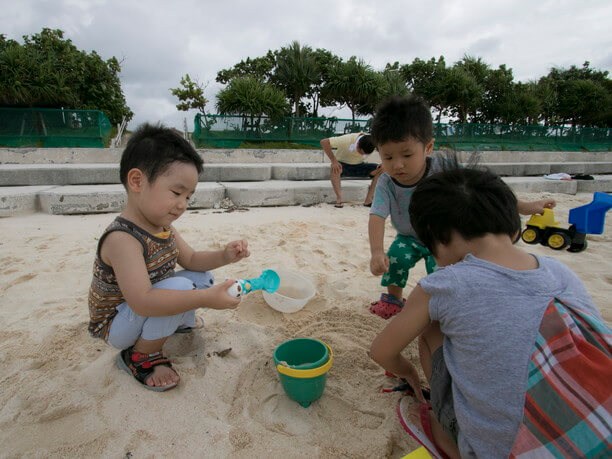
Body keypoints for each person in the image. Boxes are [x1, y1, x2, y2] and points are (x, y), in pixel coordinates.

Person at [369, 162, 608, 458]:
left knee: (432, 325)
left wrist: (409, 374)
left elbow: (381, 351)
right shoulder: (560, 271)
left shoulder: (443, 285)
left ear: (438, 241)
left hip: (500, 450)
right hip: (600, 426)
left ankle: (446, 437)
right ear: (515, 228)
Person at [87, 123, 250, 391]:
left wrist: (225, 255)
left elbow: (193, 259)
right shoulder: (122, 239)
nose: (182, 204)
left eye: (188, 196)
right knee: (185, 287)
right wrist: (206, 299)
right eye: (176, 193)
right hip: (117, 324)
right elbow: (142, 302)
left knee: (202, 277)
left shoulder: (162, 226)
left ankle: (175, 325)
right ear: (137, 181)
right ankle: (140, 355)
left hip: (142, 309)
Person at [367, 96, 555, 319]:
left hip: (443, 237)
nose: (397, 164)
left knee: (440, 270)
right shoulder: (387, 183)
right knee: (396, 259)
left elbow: (485, 187)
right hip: (408, 237)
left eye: (407, 155)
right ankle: (394, 300)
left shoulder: (444, 169)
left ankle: (444, 303)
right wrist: (377, 251)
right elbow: (377, 216)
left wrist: (523, 207)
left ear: (428, 147)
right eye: (387, 157)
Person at [320, 132, 383, 207]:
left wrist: (384, 162)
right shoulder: (347, 139)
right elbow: (324, 142)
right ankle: (339, 199)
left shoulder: (373, 142)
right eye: (361, 152)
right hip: (343, 165)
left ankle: (368, 200)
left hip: (360, 166)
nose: (362, 155)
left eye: (365, 154)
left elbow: (387, 149)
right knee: (335, 168)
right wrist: (334, 161)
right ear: (358, 144)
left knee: (383, 168)